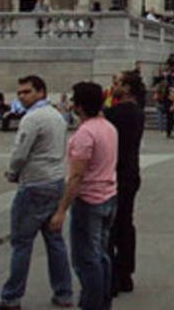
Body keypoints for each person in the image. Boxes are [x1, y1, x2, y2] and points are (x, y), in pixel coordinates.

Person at [0, 76, 73, 310]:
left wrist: (12, 172)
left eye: (26, 92)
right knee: (54, 241)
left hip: (34, 184)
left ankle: (11, 297)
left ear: (41, 92)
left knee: (21, 243)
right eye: (19, 93)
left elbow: (20, 152)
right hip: (55, 181)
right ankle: (64, 292)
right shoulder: (57, 116)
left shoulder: (32, 118)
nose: (21, 96)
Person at [50, 82, 119, 310]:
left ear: (79, 106)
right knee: (102, 255)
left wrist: (62, 209)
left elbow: (77, 175)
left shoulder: (85, 133)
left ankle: (92, 304)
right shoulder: (109, 127)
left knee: (86, 260)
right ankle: (104, 301)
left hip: (89, 200)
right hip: (109, 196)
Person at [104, 70, 146, 298]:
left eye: (117, 82)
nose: (113, 85)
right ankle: (126, 273)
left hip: (115, 173)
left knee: (110, 228)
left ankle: (112, 276)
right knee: (126, 224)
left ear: (127, 88)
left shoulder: (114, 114)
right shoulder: (137, 112)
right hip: (131, 171)